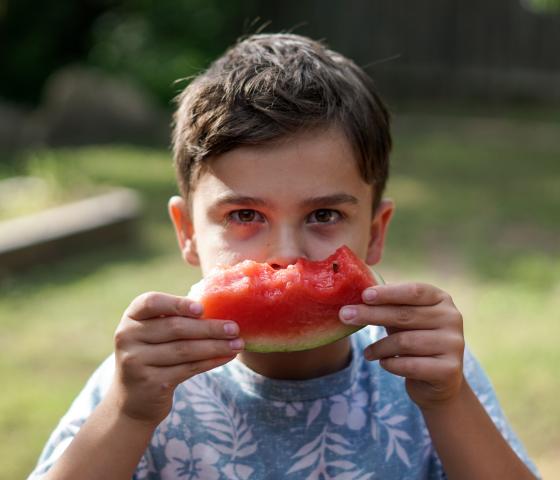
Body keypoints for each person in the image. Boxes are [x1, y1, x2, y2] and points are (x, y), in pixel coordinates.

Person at [29, 33, 540, 480]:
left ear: (376, 232)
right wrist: (127, 412)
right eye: (245, 216)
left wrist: (448, 402)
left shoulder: (424, 370)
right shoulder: (143, 380)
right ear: (186, 232)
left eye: (323, 216)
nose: (286, 255)